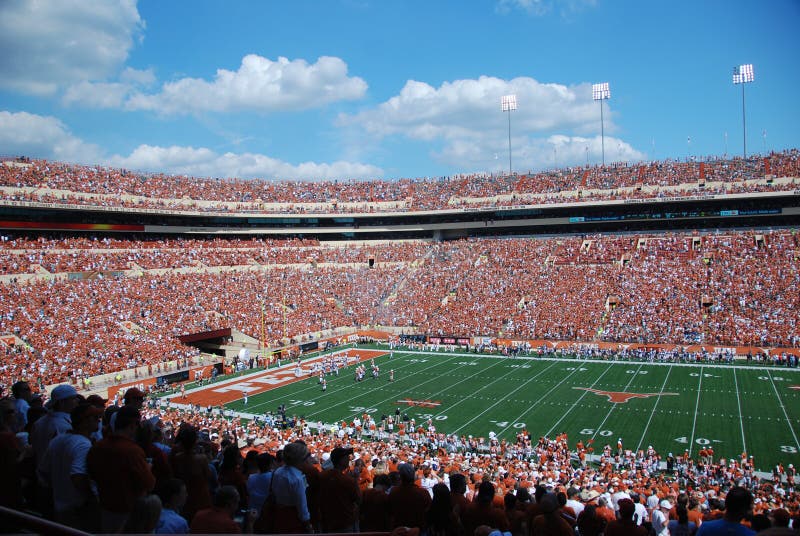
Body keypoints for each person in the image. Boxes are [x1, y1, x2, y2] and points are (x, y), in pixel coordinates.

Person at [87, 405, 156, 533]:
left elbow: (91, 476)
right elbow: (149, 484)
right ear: (132, 425)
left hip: (105, 507)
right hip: (129, 510)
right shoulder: (132, 451)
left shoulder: (97, 447)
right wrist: (148, 468)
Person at [37, 402, 104, 532]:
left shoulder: (57, 440)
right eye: (95, 418)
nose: (99, 420)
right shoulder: (83, 444)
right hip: (79, 509)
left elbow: (43, 471)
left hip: (60, 506)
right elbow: (77, 476)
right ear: (84, 422)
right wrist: (90, 498)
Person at [263, 441, 313, 533]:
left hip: (278, 515)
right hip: (292, 520)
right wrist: (308, 526)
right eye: (307, 457)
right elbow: (302, 508)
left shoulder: (278, 471)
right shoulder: (297, 478)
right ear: (301, 459)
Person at [318, 446, 361, 532]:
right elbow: (359, 501)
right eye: (346, 457)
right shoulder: (348, 480)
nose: (349, 459)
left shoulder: (321, 477)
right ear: (341, 460)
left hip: (327, 522)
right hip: (345, 523)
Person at [190, 485, 255, 534]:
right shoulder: (230, 526)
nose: (237, 506)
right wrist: (250, 523)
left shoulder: (198, 515)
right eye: (237, 502)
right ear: (229, 504)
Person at [388, 462, 432, 530]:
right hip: (418, 529)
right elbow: (429, 512)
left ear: (400, 476)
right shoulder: (423, 493)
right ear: (413, 475)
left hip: (399, 528)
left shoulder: (393, 492)